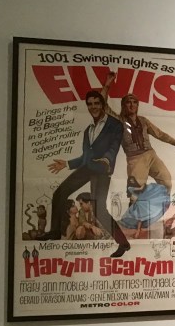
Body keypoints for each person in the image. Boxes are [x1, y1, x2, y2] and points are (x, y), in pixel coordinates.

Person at [37, 90, 130, 257]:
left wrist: (106, 160)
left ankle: (123, 243)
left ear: (102, 105)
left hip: (102, 170)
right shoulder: (88, 130)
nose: (93, 107)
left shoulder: (115, 125)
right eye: (90, 104)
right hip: (88, 167)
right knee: (59, 193)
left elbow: (114, 147)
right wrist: (67, 163)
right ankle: (55, 232)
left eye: (96, 103)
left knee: (99, 210)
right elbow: (84, 158)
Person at [102, 72, 175, 192]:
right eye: (128, 102)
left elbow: (159, 134)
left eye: (134, 102)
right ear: (123, 105)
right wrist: (107, 85)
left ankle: (161, 203)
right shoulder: (119, 121)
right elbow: (103, 106)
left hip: (151, 155)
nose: (132, 105)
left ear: (137, 105)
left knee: (166, 182)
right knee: (135, 190)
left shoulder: (143, 120)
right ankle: (135, 203)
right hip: (135, 158)